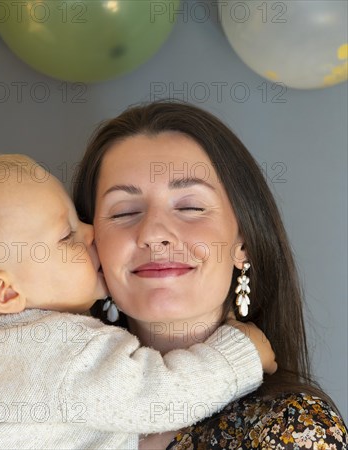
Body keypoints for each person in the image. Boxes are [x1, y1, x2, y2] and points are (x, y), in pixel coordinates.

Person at [0, 154, 277, 449]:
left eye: (190, 207)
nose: (90, 233)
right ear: (6, 293)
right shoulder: (55, 350)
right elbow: (159, 397)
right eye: (67, 234)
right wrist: (239, 355)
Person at [72, 100, 348, 449]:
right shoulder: (46, 411)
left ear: (243, 243)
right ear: (92, 242)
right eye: (125, 212)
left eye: (190, 207)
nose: (154, 233)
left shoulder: (292, 429)